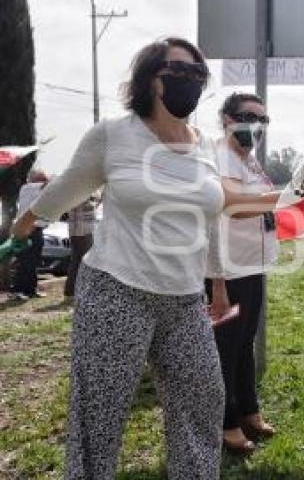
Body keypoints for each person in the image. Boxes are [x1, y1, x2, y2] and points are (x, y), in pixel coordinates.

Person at [4, 37, 227, 479]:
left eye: (197, 75)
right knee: (100, 415)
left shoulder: (206, 147)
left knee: (203, 402)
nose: (190, 82)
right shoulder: (114, 134)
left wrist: (217, 281)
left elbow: (211, 218)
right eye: (178, 72)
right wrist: (26, 223)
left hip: (184, 301)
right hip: (116, 291)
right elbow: (71, 183)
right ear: (150, 79)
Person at [204, 92, 279, 454]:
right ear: (227, 120)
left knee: (245, 343)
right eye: (249, 116)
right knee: (225, 349)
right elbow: (233, 209)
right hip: (225, 271)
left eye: (263, 119)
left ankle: (249, 411)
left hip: (251, 266)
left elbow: (263, 208)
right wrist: (291, 197)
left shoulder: (249, 162)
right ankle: (226, 422)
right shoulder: (219, 158)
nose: (257, 125)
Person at [11, 169, 49, 300]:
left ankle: (29, 289)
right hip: (33, 228)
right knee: (29, 261)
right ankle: (22, 290)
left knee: (26, 260)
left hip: (23, 227)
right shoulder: (37, 187)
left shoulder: (24, 188)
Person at [63, 194, 97, 298]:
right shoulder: (82, 194)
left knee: (76, 261)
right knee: (86, 262)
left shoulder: (76, 192)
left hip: (77, 231)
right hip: (83, 231)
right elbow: (90, 203)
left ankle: (71, 291)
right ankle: (83, 291)